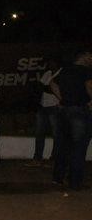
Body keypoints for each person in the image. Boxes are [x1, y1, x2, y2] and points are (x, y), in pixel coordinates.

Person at [51, 49, 92, 190]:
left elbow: (52, 83)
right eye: (90, 57)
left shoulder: (65, 70)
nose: (91, 59)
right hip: (79, 110)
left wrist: (62, 98)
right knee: (79, 147)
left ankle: (58, 177)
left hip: (65, 110)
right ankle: (75, 182)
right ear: (83, 57)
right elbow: (89, 86)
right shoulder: (86, 71)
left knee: (63, 145)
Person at [26, 60, 61, 166]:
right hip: (43, 106)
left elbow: (49, 88)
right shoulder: (48, 73)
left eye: (52, 62)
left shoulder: (61, 73)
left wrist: (46, 87)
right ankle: (37, 159)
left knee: (57, 134)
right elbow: (40, 87)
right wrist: (46, 88)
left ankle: (54, 159)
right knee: (39, 133)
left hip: (55, 107)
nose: (50, 64)